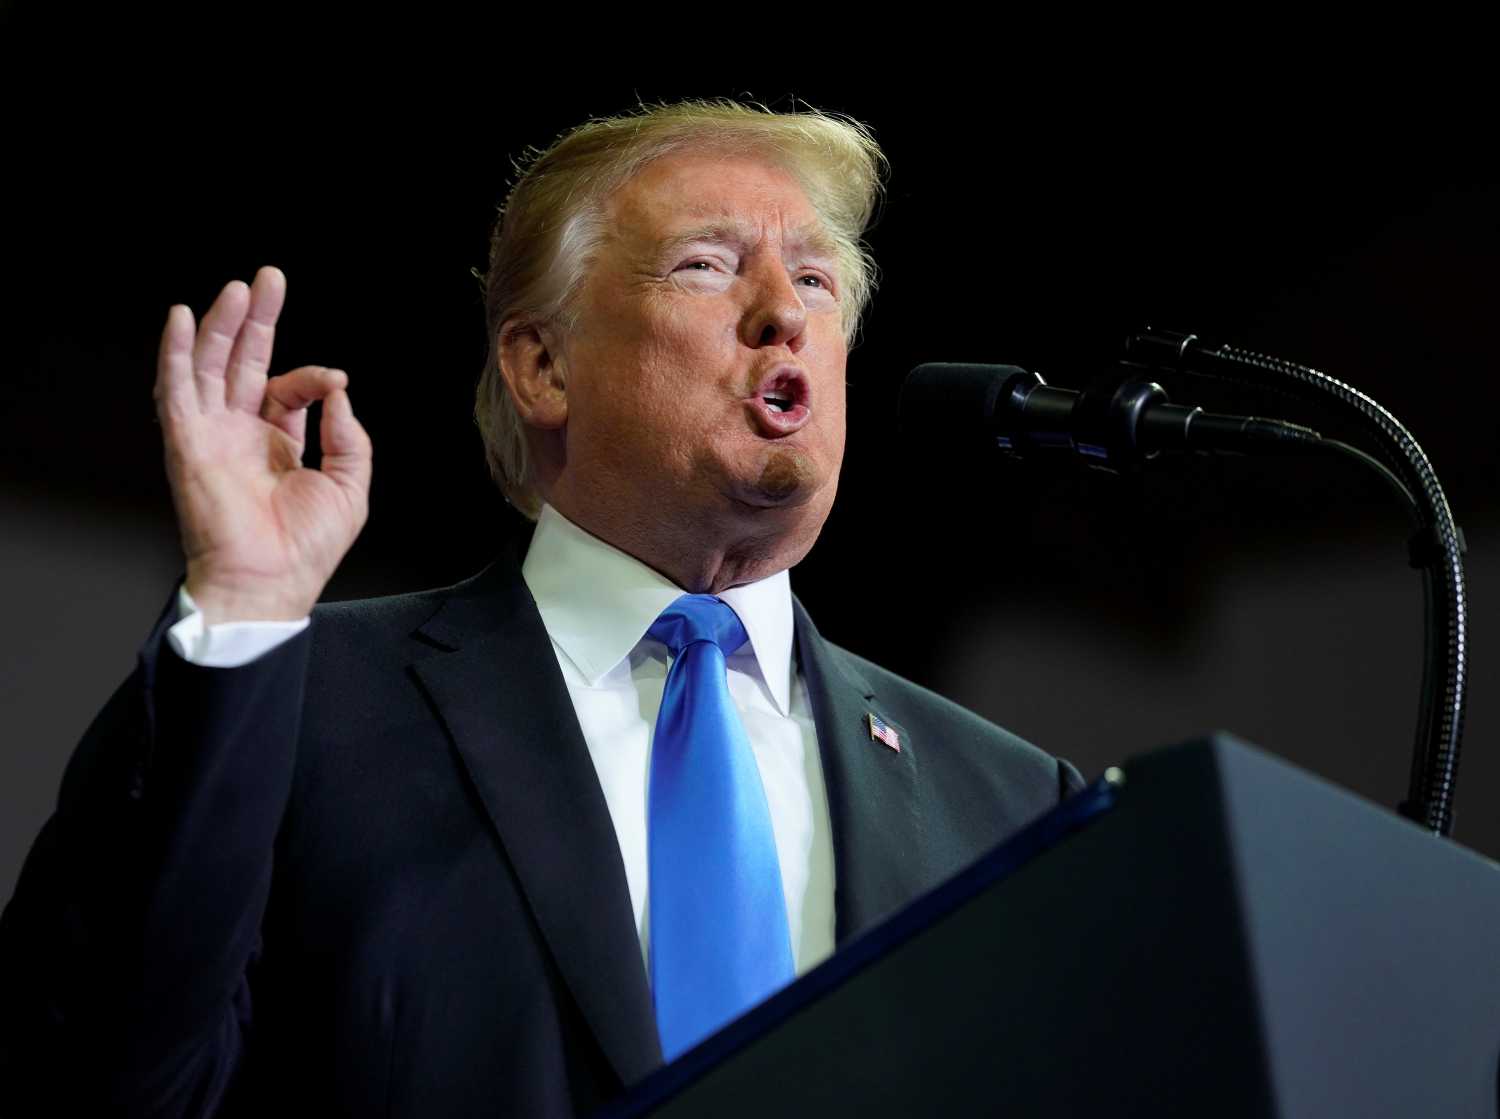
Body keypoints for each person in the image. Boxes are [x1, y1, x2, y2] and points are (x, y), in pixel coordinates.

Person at [0, 101, 1081, 1117]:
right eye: (706, 266)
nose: (782, 315)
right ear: (543, 365)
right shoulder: (296, 701)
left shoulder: (1015, 807)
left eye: (815, 281)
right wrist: (239, 609)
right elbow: (103, 1075)